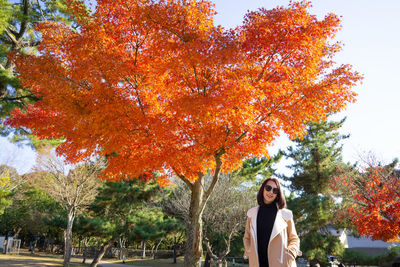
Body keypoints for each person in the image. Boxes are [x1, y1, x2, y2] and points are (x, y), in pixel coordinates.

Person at [243, 178, 301, 267]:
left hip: (281, 263)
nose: (271, 192)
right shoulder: (252, 213)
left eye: (275, 190)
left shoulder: (286, 214)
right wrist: (249, 251)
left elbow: (294, 239)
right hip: (257, 263)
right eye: (268, 188)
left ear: (278, 194)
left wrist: (290, 255)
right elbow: (247, 238)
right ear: (263, 189)